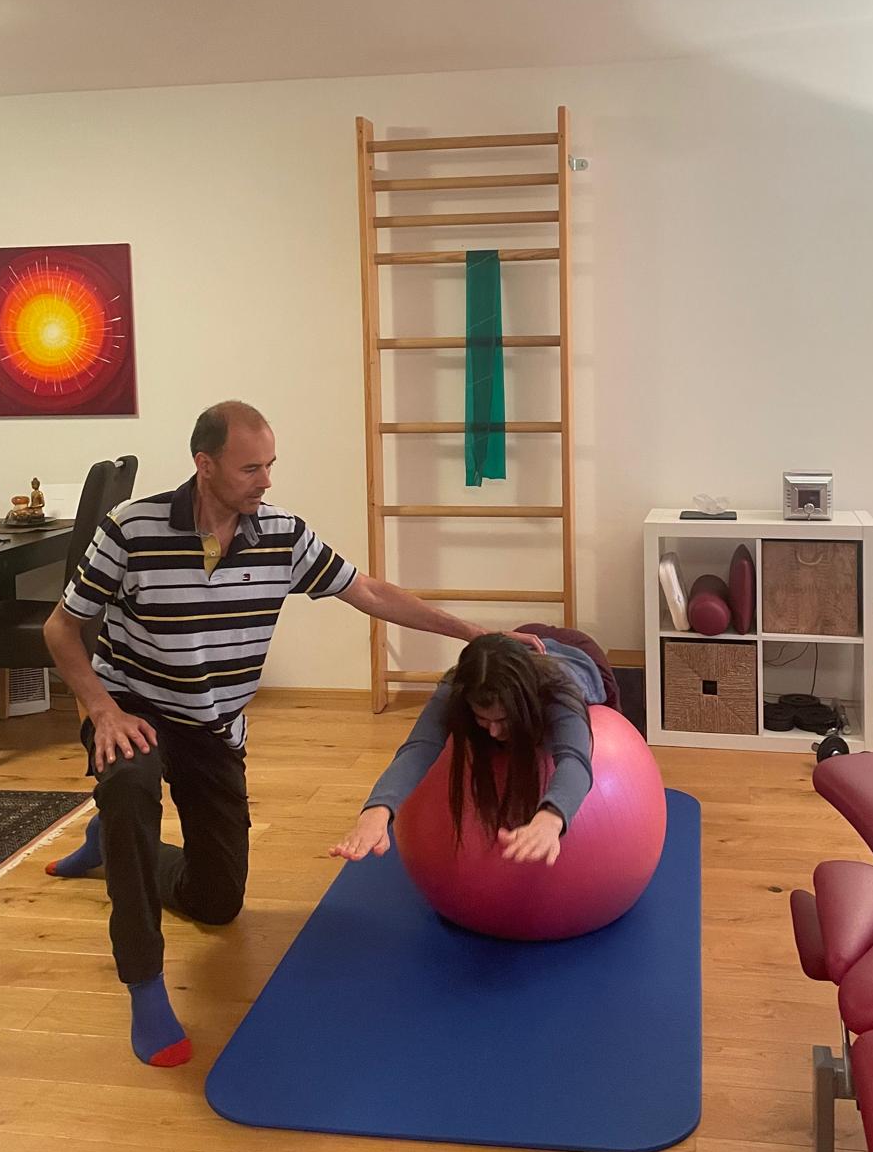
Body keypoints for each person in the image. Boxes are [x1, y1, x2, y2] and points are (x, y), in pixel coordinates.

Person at [42, 400, 541, 1068]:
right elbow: (61, 627)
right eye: (251, 468)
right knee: (129, 786)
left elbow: (369, 592)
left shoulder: (282, 535)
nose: (266, 480)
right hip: (136, 708)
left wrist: (475, 633)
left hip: (215, 725)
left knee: (219, 904)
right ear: (204, 464)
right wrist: (102, 709)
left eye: (270, 464)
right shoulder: (131, 528)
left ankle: (109, 842)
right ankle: (144, 983)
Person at [330, 626, 614, 870]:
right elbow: (419, 747)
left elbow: (574, 759)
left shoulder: (558, 691)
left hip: (580, 656)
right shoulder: (459, 686)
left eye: (503, 719)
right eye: (482, 719)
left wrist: (551, 818)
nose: (493, 732)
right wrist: (377, 810)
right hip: (520, 644)